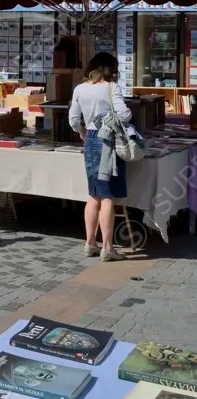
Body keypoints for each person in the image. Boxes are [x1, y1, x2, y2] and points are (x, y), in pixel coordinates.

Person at [68, 52, 132, 262]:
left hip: (90, 139)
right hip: (109, 141)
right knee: (107, 196)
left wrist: (82, 132)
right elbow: (124, 115)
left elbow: (73, 119)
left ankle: (90, 242)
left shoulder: (80, 88)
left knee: (94, 194)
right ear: (111, 70)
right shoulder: (111, 88)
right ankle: (108, 247)